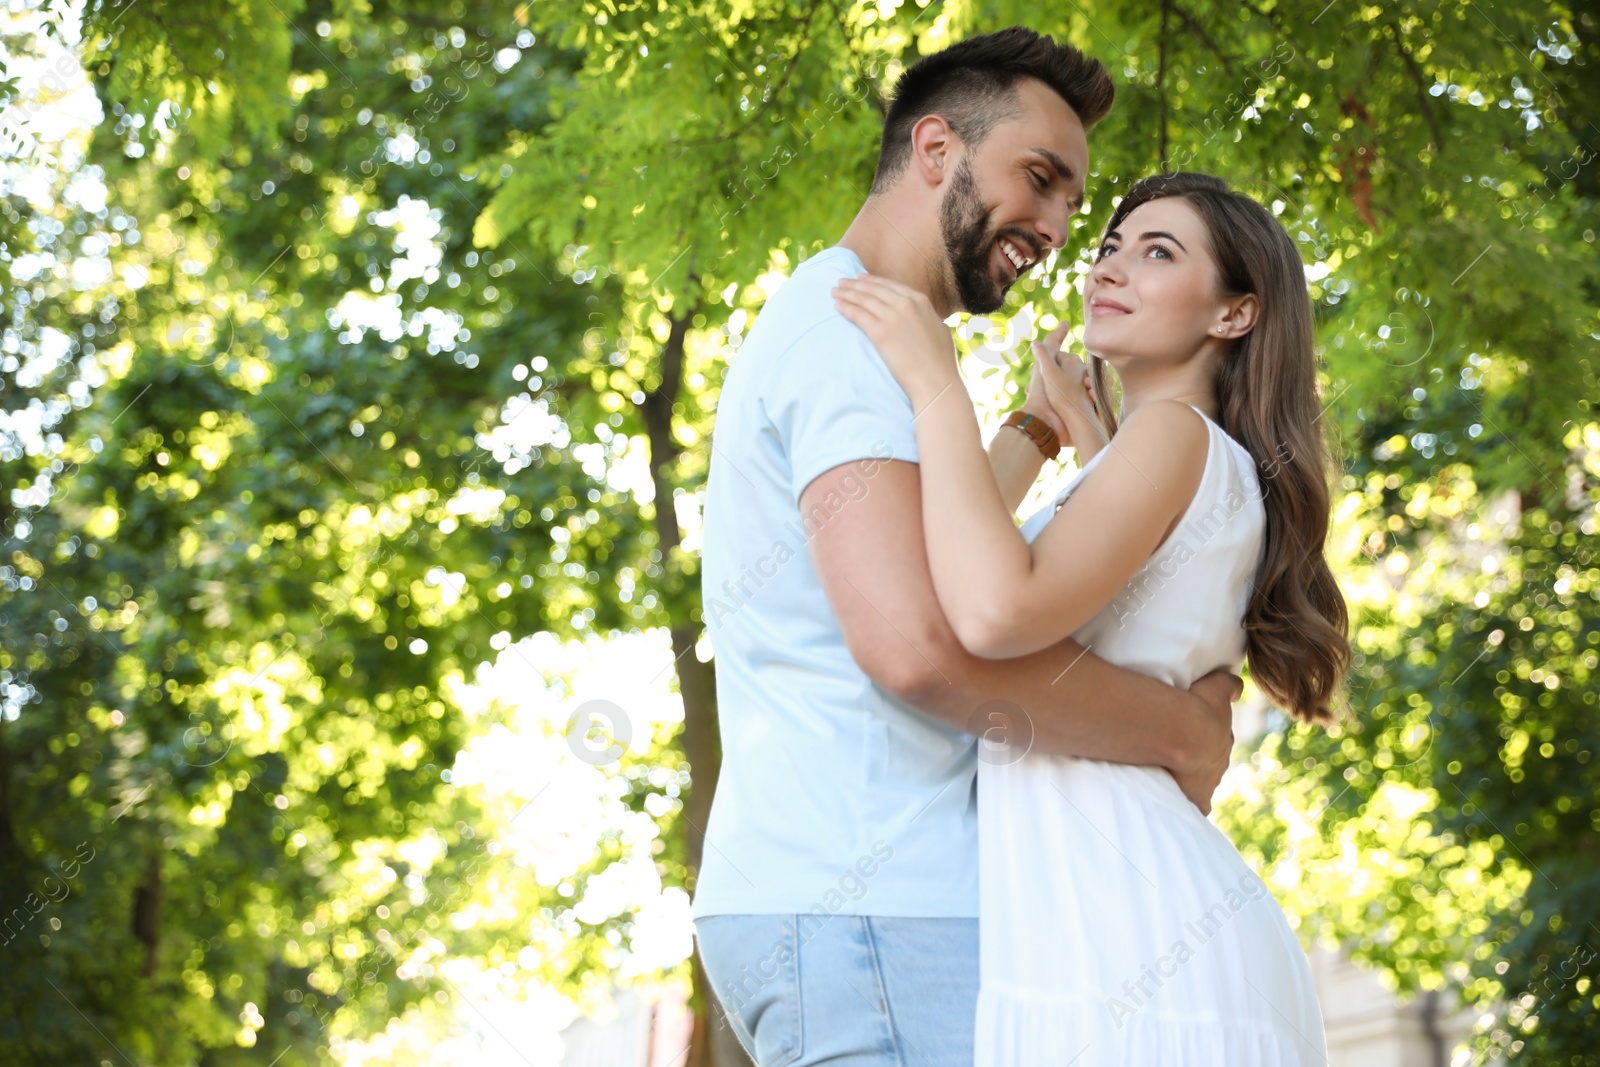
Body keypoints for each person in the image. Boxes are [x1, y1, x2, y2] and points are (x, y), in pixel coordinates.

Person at [690, 28, 1246, 1067]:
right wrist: (1179, 731)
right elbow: (921, 648)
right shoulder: (849, 334)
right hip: (871, 902)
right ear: (936, 149)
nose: (1054, 228)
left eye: (1073, 204)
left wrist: (1032, 436)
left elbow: (927, 564)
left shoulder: (857, 330)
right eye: (1039, 180)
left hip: (862, 904)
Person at [832, 170, 1352, 1065]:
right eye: (1110, 246)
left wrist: (933, 381)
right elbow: (946, 569)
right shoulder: (1176, 454)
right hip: (1113, 937)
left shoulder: (1176, 437)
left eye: (1158, 252)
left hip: (1127, 945)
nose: (1110, 266)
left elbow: (996, 612)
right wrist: (1043, 430)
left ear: (1234, 314)